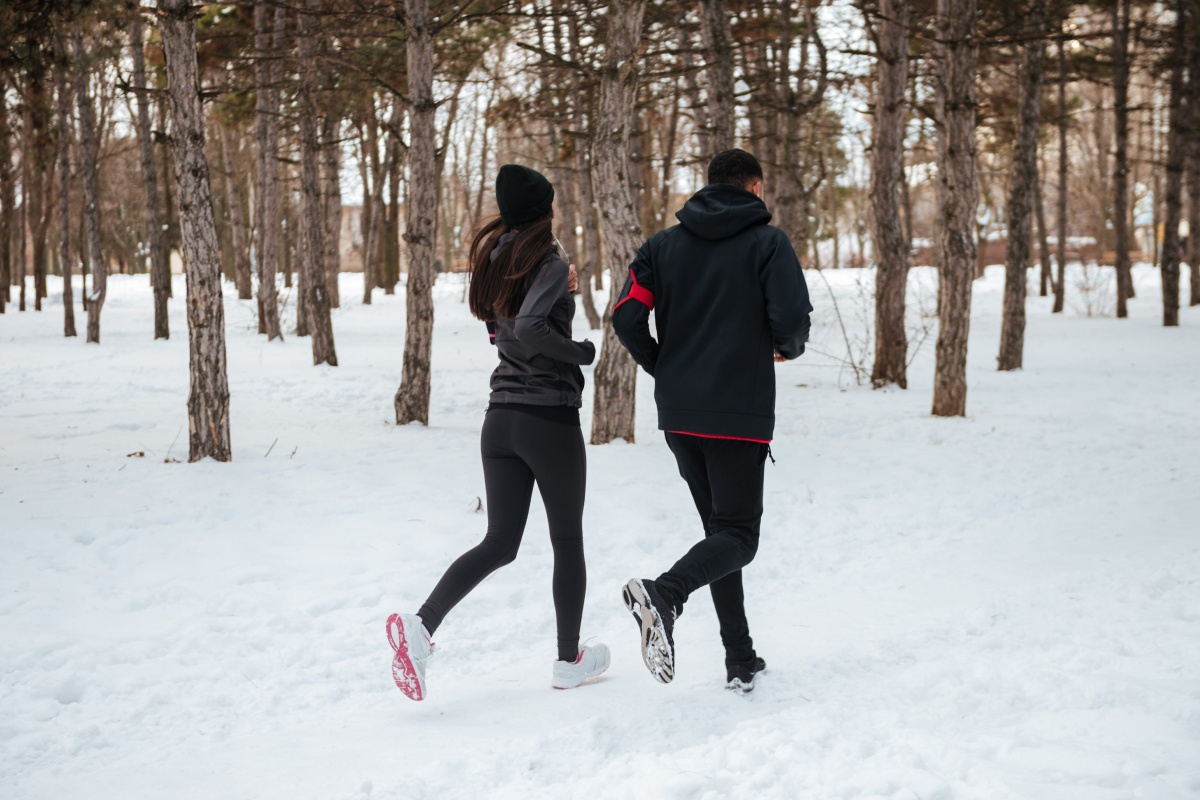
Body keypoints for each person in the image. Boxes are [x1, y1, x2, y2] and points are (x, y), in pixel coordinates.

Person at [386, 164, 610, 701]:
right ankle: (568, 659)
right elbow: (532, 328)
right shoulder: (548, 262)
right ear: (546, 211)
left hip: (499, 421)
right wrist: (580, 351)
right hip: (547, 419)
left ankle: (421, 628)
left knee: (499, 543)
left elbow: (500, 328)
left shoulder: (495, 259)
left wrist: (563, 292)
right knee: (567, 541)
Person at [612, 148, 812, 693]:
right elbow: (792, 318)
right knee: (739, 538)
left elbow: (627, 317)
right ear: (753, 189)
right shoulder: (768, 243)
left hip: (680, 415)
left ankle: (740, 657)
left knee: (717, 535)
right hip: (738, 414)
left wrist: (665, 367)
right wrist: (786, 349)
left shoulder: (661, 246)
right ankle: (665, 594)